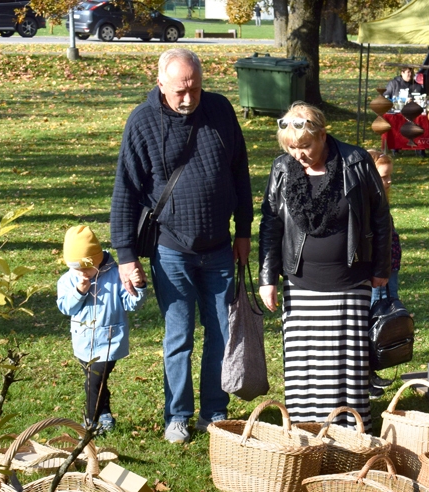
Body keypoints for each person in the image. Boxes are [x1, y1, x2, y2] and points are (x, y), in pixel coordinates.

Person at [110, 48, 253, 444]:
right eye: (179, 91)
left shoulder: (221, 110)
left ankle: (214, 411)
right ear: (161, 85)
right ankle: (177, 414)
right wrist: (126, 256)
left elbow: (239, 172)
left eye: (194, 88)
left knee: (222, 333)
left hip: (220, 246)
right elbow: (126, 190)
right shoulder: (141, 122)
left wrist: (244, 231)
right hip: (171, 248)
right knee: (179, 337)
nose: (188, 98)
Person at [258, 101, 391, 430]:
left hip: (350, 283)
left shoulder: (356, 161)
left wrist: (381, 268)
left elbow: (380, 217)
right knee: (306, 367)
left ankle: (350, 433)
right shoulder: (282, 168)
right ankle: (306, 432)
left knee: (346, 367)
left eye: (304, 146)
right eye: (292, 147)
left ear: (322, 135)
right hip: (301, 286)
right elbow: (271, 224)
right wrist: (266, 278)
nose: (299, 154)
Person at [57, 225, 146, 434]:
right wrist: (79, 292)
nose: (81, 274)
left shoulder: (116, 275)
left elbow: (131, 304)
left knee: (94, 382)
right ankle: (104, 413)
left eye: (85, 269)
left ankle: (90, 424)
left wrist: (138, 286)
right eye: (76, 269)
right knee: (97, 382)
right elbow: (65, 307)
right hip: (82, 341)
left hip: (109, 340)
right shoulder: (69, 279)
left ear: (97, 260)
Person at [366, 149, 399, 398]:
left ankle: (373, 371)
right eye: (384, 177)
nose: (388, 181)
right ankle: (364, 376)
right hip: (375, 273)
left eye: (390, 177)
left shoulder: (382, 200)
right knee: (372, 322)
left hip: (389, 271)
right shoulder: (366, 203)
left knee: (382, 322)